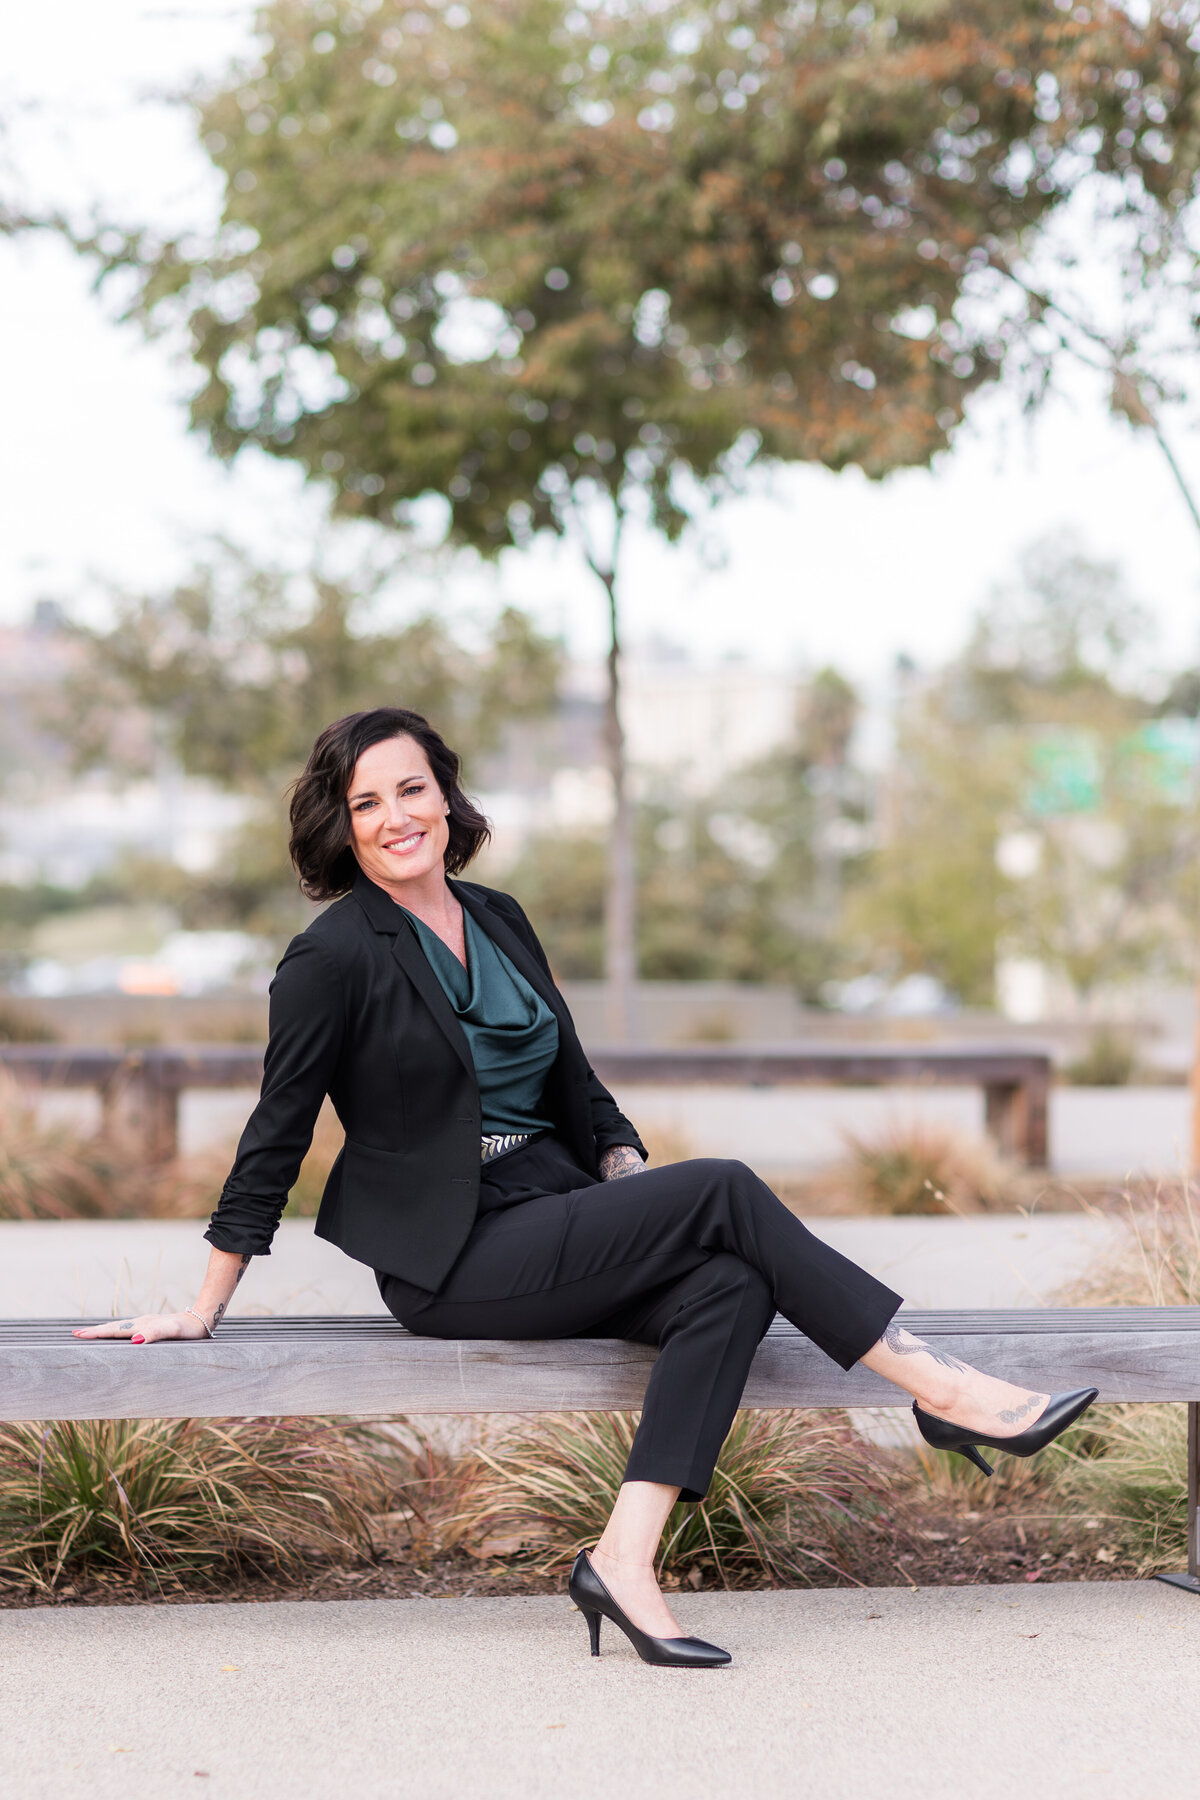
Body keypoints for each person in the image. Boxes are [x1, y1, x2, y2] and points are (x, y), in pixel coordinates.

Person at [74, 707, 1097, 1667]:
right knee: (728, 1189)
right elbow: (276, 1132)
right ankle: (942, 1390)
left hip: (555, 1209)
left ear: (447, 799)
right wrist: (205, 1305)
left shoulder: (501, 919)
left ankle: (621, 1561)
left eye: (411, 789)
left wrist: (628, 1182)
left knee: (728, 1284)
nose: (396, 818)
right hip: (454, 1254)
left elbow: (580, 1085)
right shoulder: (332, 956)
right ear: (343, 829)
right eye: (366, 804)